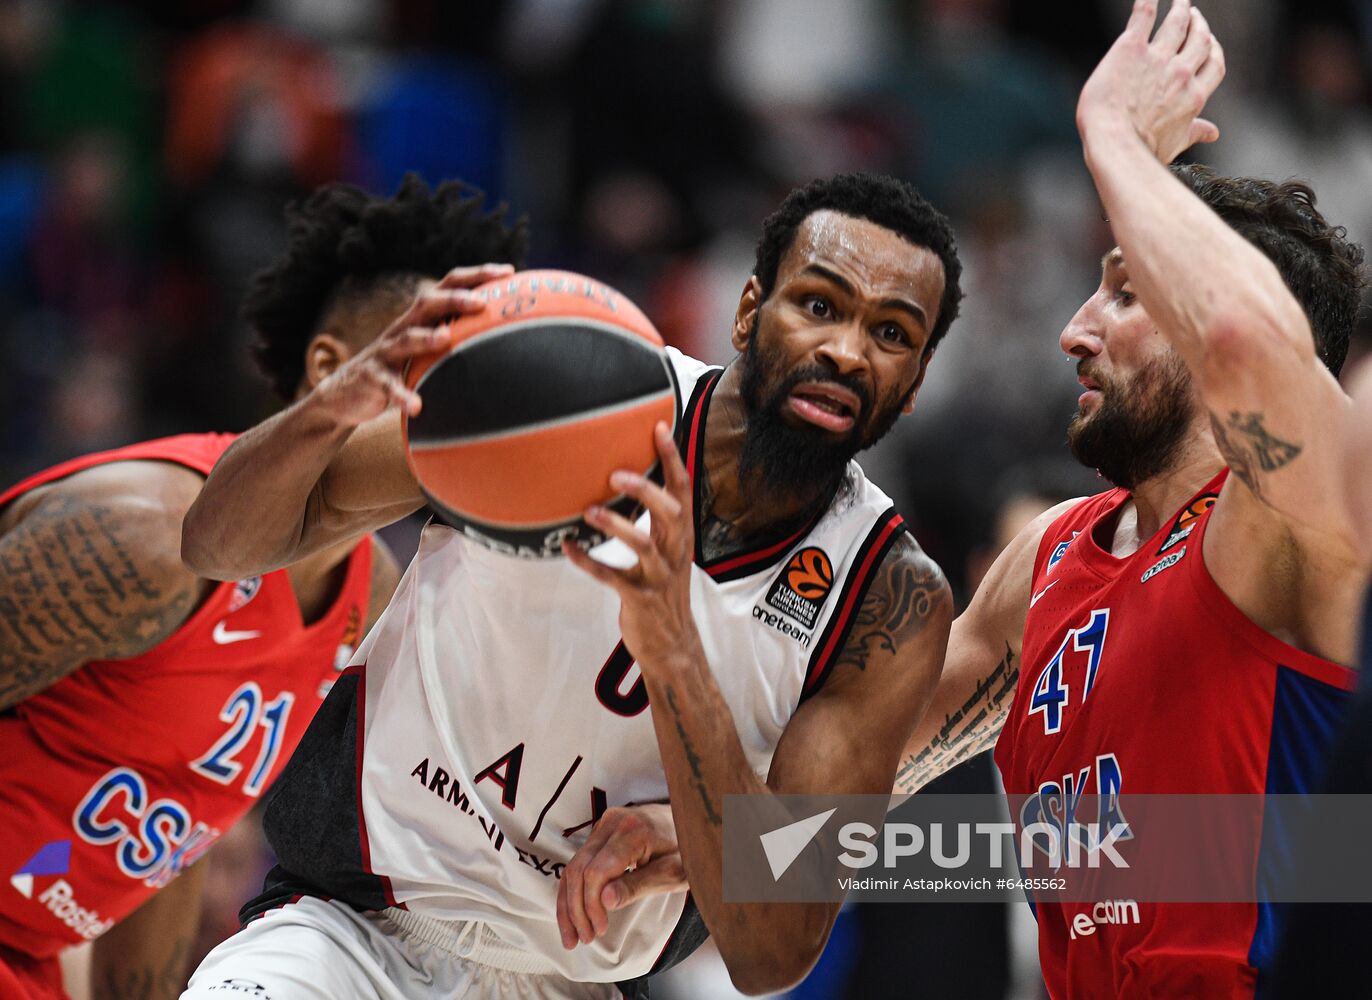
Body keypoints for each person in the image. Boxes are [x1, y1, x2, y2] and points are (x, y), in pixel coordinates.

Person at [604, 2, 1370, 995]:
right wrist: (697, 836)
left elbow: (1240, 339)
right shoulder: (1049, 560)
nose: (1074, 329)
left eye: (1126, 292)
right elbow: (837, 817)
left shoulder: (1299, 521)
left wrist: (1110, 138)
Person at [176, 171, 962, 999]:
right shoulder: (574, 384)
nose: (845, 350)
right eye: (820, 306)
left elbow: (774, 948)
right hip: (352, 930)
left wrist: (675, 655)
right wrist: (334, 405)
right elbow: (218, 545)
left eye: (892, 333)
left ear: (914, 385)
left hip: (572, 980)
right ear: (746, 310)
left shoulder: (889, 599)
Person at [0, 175, 527, 1000]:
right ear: (332, 369)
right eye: (435, 367)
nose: (459, 408)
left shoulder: (371, 601)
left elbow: (176, 829)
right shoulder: (144, 540)